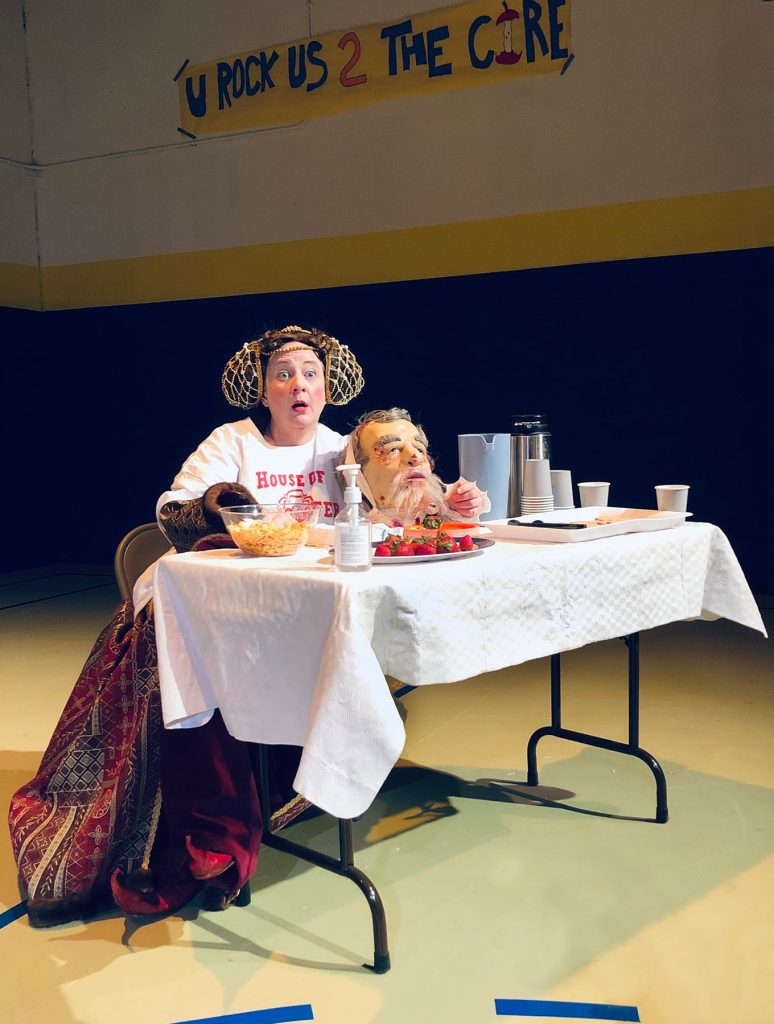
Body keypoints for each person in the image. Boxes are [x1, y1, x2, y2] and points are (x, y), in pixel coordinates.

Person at [8, 325, 365, 925]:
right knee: (201, 673)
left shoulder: (344, 450)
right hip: (211, 607)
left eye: (308, 373)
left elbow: (392, 503)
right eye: (282, 373)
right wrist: (219, 500)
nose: (296, 384)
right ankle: (206, 833)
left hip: (300, 610)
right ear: (263, 389)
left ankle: (289, 786)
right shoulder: (231, 441)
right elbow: (172, 511)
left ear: (328, 387)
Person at [348, 407, 488, 525]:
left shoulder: (444, 529)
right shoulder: (338, 534)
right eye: (393, 449)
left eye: (420, 449)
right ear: (358, 473)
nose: (416, 456)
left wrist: (461, 506)